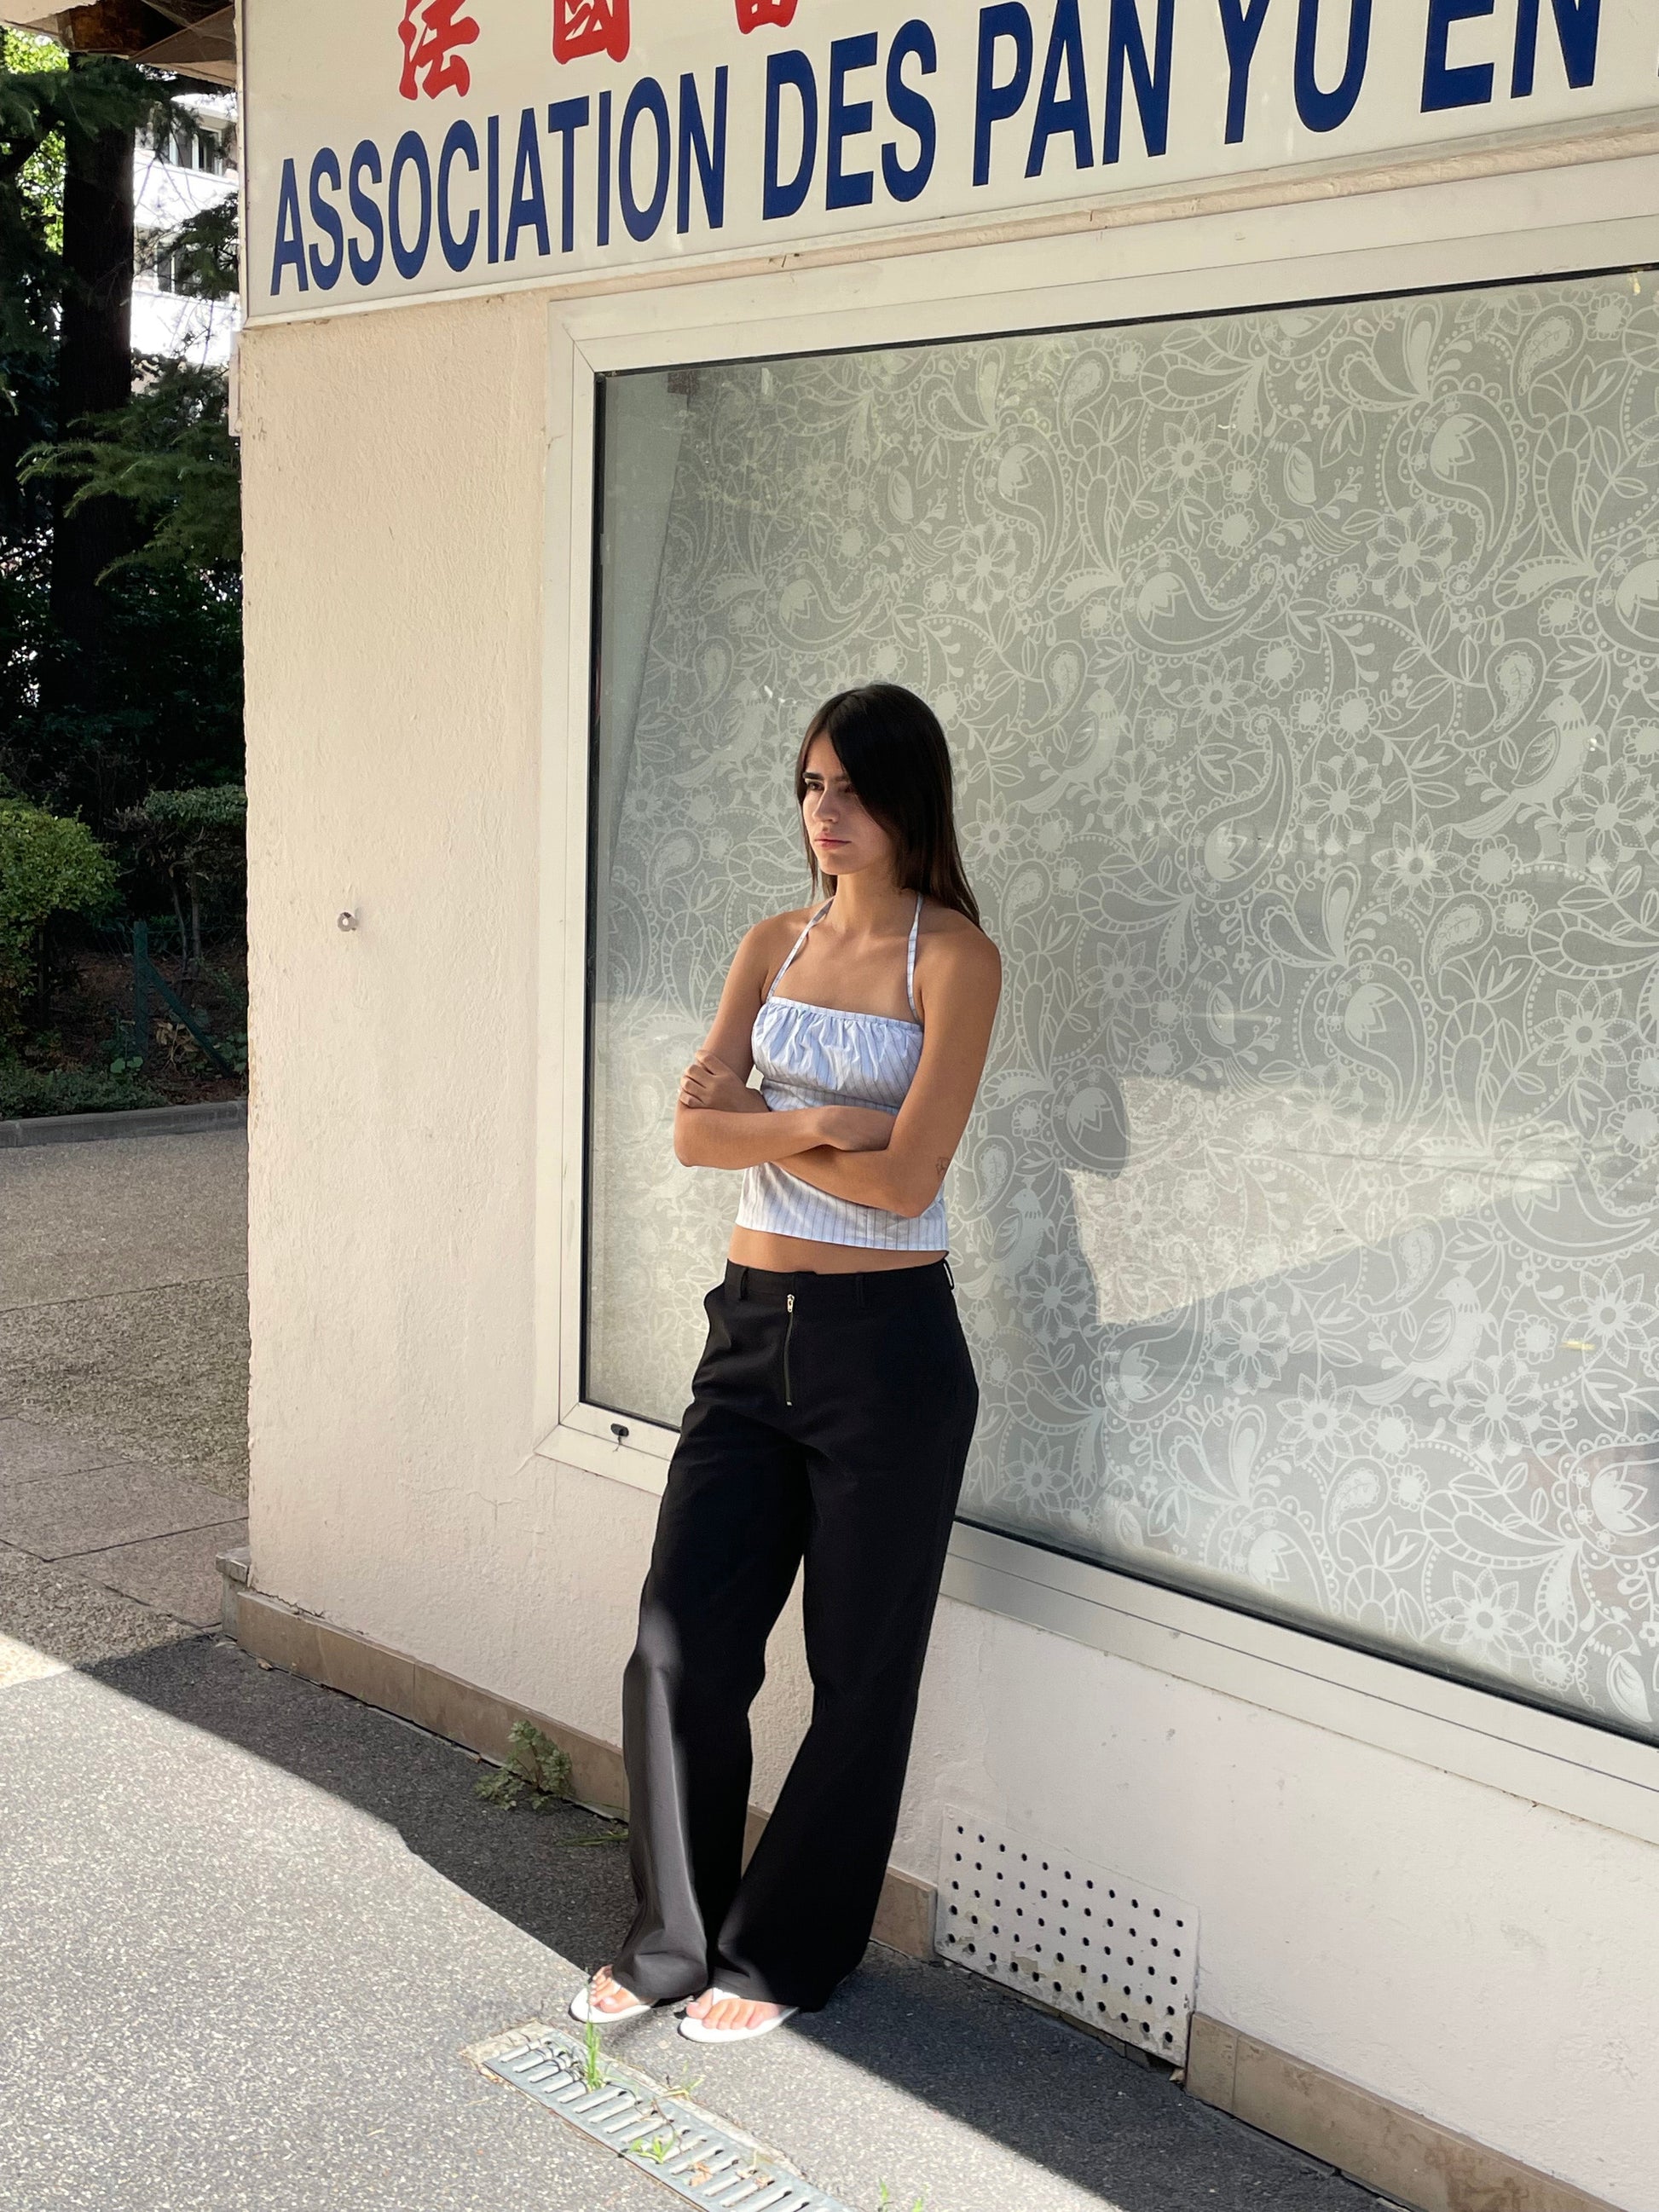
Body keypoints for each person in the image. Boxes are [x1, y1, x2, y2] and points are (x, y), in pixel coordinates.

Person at [572, 682, 1001, 2043]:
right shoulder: (769, 942)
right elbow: (694, 1142)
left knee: (859, 1672)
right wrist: (821, 1117)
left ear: (906, 801)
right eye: (811, 785)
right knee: (678, 1647)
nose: (825, 811)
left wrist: (764, 1116)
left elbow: (911, 1178)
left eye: (853, 789)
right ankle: (668, 1940)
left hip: (891, 1354)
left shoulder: (956, 960)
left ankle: (783, 1954)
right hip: (749, 1335)